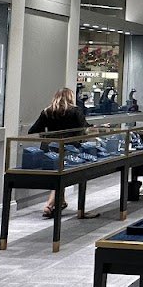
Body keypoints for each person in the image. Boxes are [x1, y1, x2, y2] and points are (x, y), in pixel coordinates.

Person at [27, 87, 87, 217]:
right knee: (61, 177)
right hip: (69, 149)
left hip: (49, 149)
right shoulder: (75, 111)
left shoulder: (47, 112)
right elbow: (84, 128)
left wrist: (46, 135)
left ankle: (62, 202)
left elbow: (33, 130)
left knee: (58, 176)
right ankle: (49, 205)